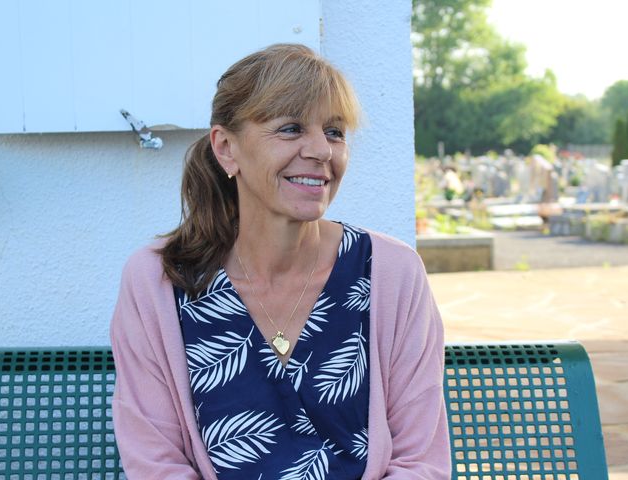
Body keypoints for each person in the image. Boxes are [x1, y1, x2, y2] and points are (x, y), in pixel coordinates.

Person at [110, 43, 450, 479]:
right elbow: (156, 464)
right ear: (226, 148)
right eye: (290, 129)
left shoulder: (392, 273)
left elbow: (420, 462)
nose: (322, 151)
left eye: (334, 131)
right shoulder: (156, 282)